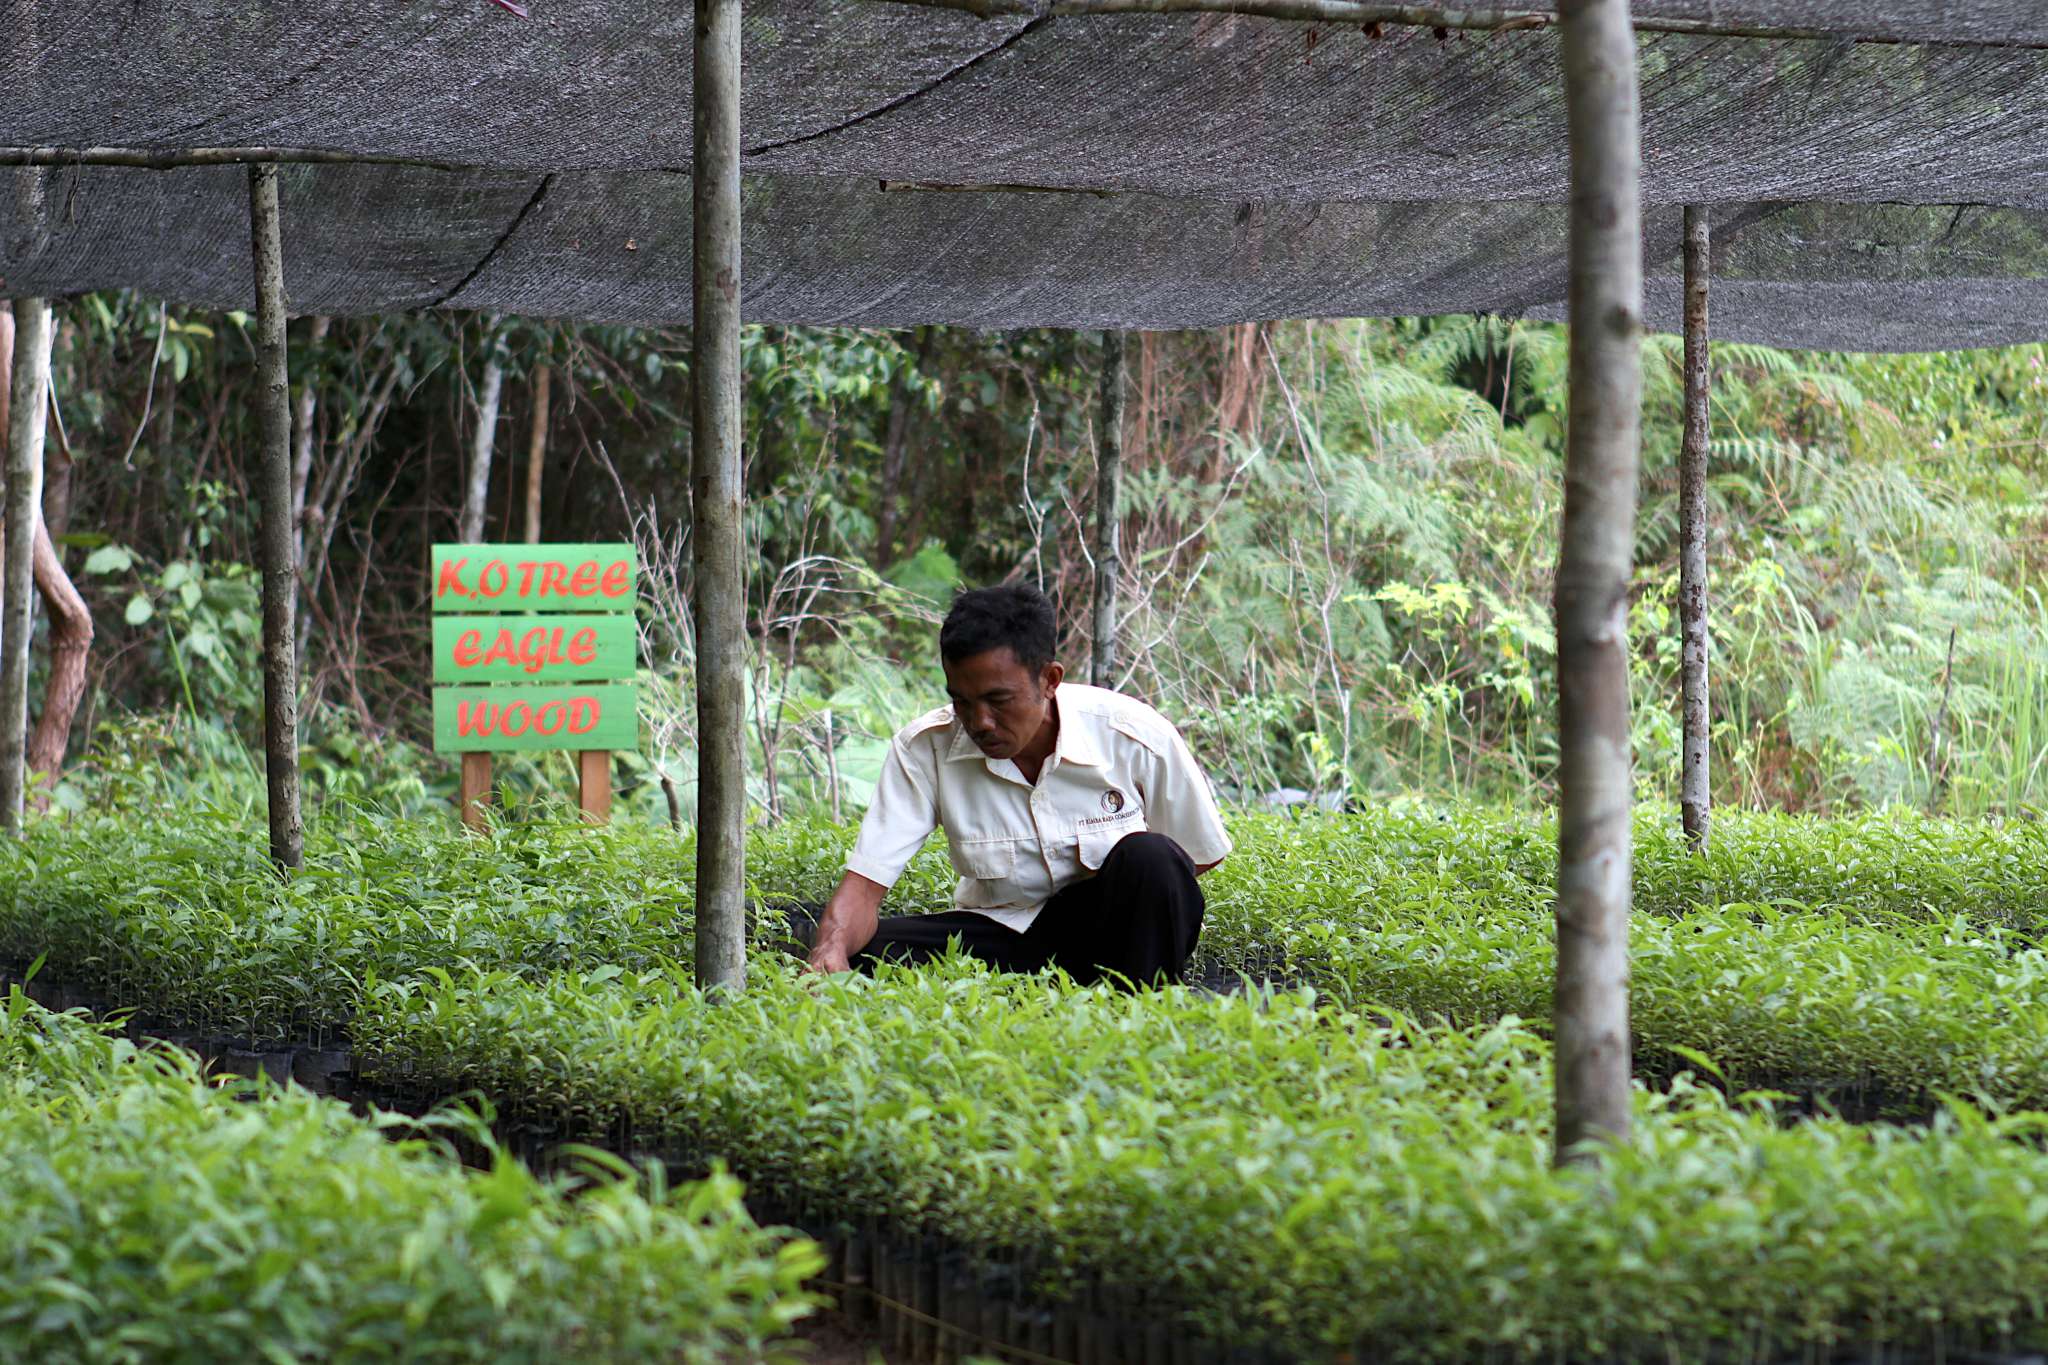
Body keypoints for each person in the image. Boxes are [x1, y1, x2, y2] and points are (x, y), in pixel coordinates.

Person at [804, 583, 1231, 988]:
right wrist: (831, 947)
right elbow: (865, 884)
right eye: (961, 701)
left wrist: (1122, 906)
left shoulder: (1132, 734)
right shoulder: (924, 748)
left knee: (1151, 858)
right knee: (869, 953)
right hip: (1001, 937)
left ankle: (1138, 999)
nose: (980, 722)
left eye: (998, 700)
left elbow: (1193, 858)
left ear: (1050, 680)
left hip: (1110, 936)